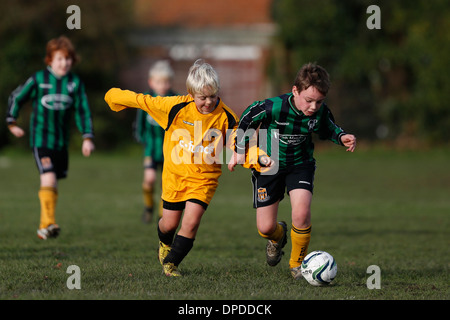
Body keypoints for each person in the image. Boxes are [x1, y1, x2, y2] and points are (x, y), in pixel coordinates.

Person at [105, 59, 239, 276]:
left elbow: (240, 142)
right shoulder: (175, 106)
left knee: (192, 221)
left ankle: (171, 264)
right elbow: (143, 101)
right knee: (168, 224)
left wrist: (245, 155)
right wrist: (113, 96)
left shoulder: (227, 117)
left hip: (204, 179)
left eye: (213, 96)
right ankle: (165, 243)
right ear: (190, 94)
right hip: (175, 177)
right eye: (202, 98)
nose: (208, 102)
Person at [228, 62, 356, 279]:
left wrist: (341, 136)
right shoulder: (273, 107)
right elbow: (247, 118)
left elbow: (328, 127)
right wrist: (240, 149)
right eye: (309, 100)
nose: (314, 106)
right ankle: (278, 237)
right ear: (295, 90)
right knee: (265, 227)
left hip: (300, 165)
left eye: (319, 101)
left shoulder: (320, 111)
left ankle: (298, 265)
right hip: (270, 165)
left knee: (302, 213)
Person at [6, 36, 95, 240]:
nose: (65, 63)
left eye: (68, 59)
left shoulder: (75, 83)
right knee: (48, 176)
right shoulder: (39, 79)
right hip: (41, 140)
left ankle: (44, 227)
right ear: (50, 61)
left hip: (61, 143)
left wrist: (87, 137)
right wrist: (12, 121)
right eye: (60, 59)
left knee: (53, 182)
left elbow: (83, 111)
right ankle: (48, 223)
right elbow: (16, 97)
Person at [134, 60, 176, 223]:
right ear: (151, 82)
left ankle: (161, 214)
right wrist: (142, 138)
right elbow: (139, 125)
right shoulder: (145, 100)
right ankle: (148, 206)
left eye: (166, 82)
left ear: (170, 82)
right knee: (149, 179)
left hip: (170, 151)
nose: (162, 85)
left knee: (165, 184)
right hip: (151, 148)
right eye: (159, 82)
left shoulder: (175, 100)